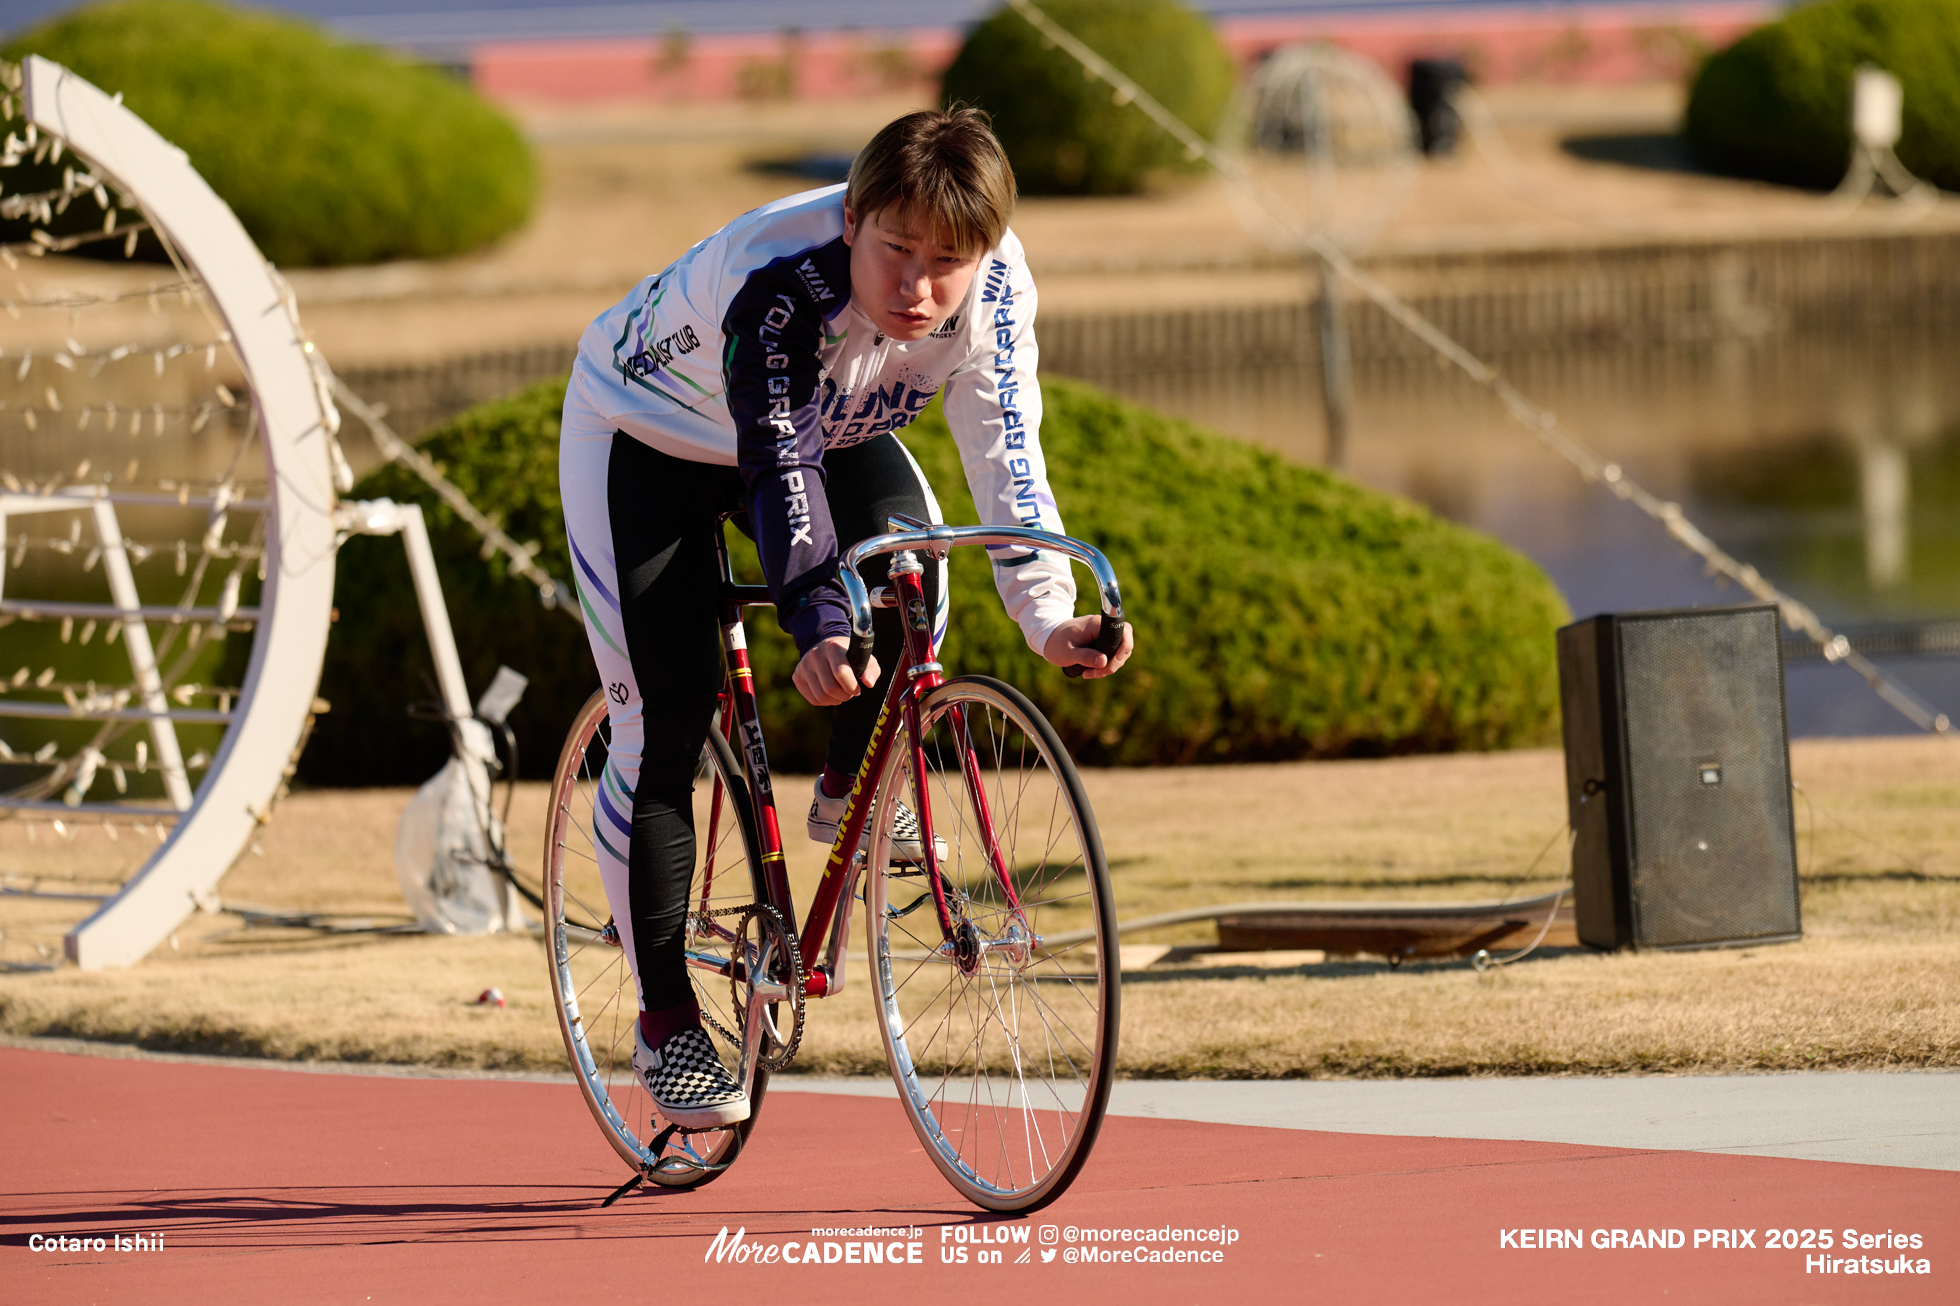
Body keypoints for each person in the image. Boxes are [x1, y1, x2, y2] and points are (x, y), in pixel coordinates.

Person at [557, 107, 1133, 1129]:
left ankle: (844, 794)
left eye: (947, 262)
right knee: (669, 711)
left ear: (986, 251)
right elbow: (778, 465)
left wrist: (1048, 617)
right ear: (851, 220)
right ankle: (667, 1015)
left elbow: (1006, 449)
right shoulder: (773, 277)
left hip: (828, 423)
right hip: (646, 437)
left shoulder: (995, 285)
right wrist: (820, 622)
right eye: (895, 251)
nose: (917, 287)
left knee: (916, 584)